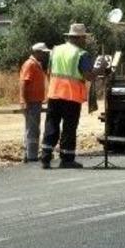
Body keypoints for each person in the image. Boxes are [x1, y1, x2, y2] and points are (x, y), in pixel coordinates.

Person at [40, 23, 104, 169]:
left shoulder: (55, 51)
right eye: (84, 38)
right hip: (71, 95)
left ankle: (45, 157)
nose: (85, 41)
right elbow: (88, 76)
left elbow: (49, 72)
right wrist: (99, 69)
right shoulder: (81, 54)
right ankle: (67, 158)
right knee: (69, 127)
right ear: (80, 38)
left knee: (51, 125)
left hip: (54, 94)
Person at [19, 42, 50, 163]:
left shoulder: (36, 64)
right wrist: (23, 100)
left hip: (35, 101)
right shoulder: (30, 64)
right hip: (31, 102)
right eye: (43, 53)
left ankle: (29, 154)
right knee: (32, 129)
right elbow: (23, 82)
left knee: (32, 128)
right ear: (37, 52)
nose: (44, 55)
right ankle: (31, 156)